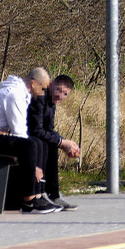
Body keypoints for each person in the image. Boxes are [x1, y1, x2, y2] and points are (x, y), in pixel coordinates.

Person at [0, 68, 58, 213]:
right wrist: (34, 166)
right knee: (29, 146)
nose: (42, 93)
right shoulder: (15, 94)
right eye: (42, 89)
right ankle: (29, 201)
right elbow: (19, 131)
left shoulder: (22, 94)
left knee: (39, 143)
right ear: (33, 83)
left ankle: (39, 193)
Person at [27, 74, 81, 210]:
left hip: (35, 136)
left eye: (65, 94)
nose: (60, 96)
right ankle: (44, 192)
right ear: (50, 85)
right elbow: (36, 130)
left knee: (52, 145)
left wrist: (67, 144)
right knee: (45, 145)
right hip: (24, 135)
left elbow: (49, 129)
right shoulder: (39, 98)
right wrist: (61, 143)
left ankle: (53, 194)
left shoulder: (52, 103)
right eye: (58, 90)